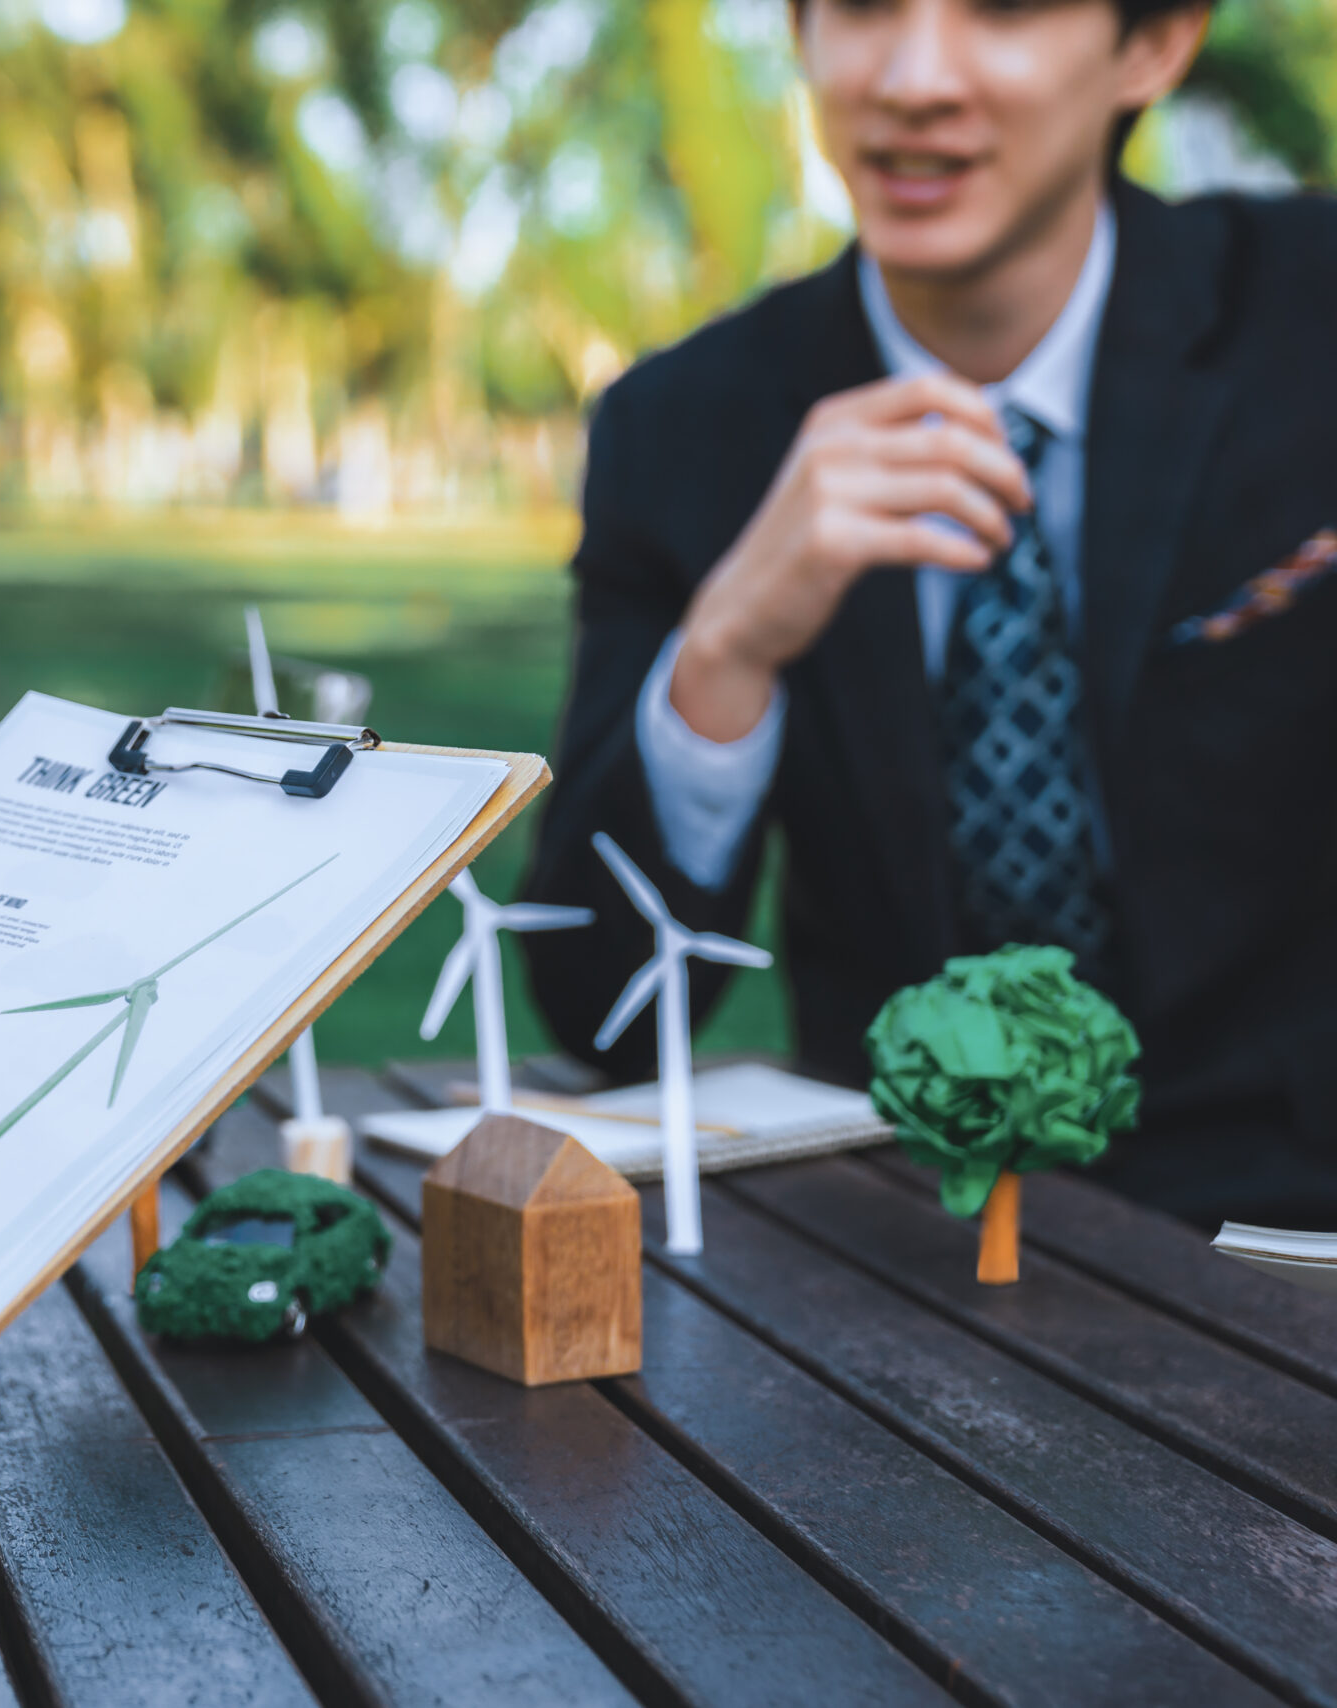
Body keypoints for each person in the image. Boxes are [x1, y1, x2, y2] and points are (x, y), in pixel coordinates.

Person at [519, 0, 1337, 1228]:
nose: (913, 77)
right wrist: (730, 644)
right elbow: (595, 1004)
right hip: (895, 1232)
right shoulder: (681, 428)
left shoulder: (1308, 323)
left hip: (1292, 1222)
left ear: (1153, 44)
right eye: (859, 7)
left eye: (1001, 9)